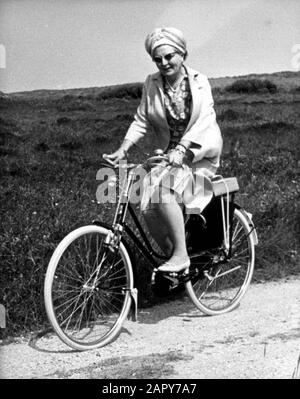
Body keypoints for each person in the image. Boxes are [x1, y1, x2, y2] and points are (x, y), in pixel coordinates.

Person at [104, 27, 223, 273]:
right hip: (169, 156)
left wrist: (183, 148)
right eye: (157, 59)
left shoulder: (200, 81)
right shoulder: (152, 83)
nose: (164, 63)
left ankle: (182, 256)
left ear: (183, 55)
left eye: (169, 56)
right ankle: (175, 261)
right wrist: (123, 149)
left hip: (198, 154)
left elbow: (205, 119)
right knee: (146, 202)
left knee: (164, 192)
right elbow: (142, 119)